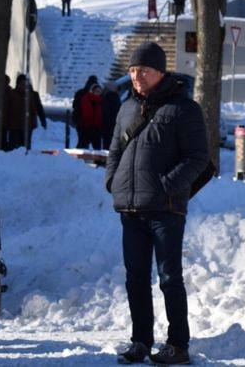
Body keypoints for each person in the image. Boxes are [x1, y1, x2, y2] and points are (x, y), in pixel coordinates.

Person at [106, 41, 210, 365]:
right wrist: (113, 181)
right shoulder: (126, 108)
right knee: (135, 277)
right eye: (133, 70)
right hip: (131, 210)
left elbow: (199, 157)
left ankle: (178, 344)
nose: (136, 77)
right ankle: (141, 341)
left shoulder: (183, 109)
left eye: (143, 71)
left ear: (160, 72)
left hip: (165, 210)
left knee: (169, 278)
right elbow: (114, 150)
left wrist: (169, 187)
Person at [3, 73, 46, 151]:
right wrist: (5, 123)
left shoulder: (31, 95)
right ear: (18, 84)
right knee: (14, 146)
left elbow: (36, 109)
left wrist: (40, 121)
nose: (23, 86)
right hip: (14, 126)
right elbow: (6, 109)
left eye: (25, 83)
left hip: (27, 125)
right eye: (22, 83)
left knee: (25, 146)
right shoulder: (11, 94)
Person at [72, 74, 99, 148]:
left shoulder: (80, 93)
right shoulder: (97, 93)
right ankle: (97, 159)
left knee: (82, 142)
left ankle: (79, 158)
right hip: (93, 124)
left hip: (81, 122)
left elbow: (74, 106)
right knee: (96, 145)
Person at [77, 82, 105, 151]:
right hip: (87, 127)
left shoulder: (102, 100)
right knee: (83, 146)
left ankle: (97, 160)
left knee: (97, 147)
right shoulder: (87, 99)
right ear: (92, 92)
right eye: (96, 91)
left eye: (99, 91)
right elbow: (86, 113)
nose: (98, 93)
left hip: (97, 127)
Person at [102, 82, 123, 150]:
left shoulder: (107, 98)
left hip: (108, 125)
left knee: (107, 144)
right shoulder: (115, 97)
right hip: (114, 124)